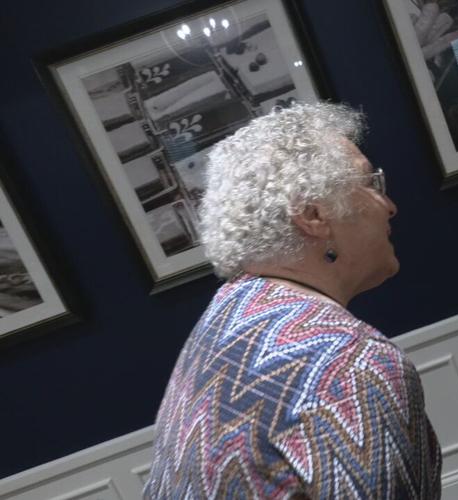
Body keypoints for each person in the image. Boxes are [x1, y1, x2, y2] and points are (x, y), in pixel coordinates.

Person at [143, 103, 442, 499]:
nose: (388, 205)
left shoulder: (228, 312)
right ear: (313, 215)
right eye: (370, 183)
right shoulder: (351, 368)